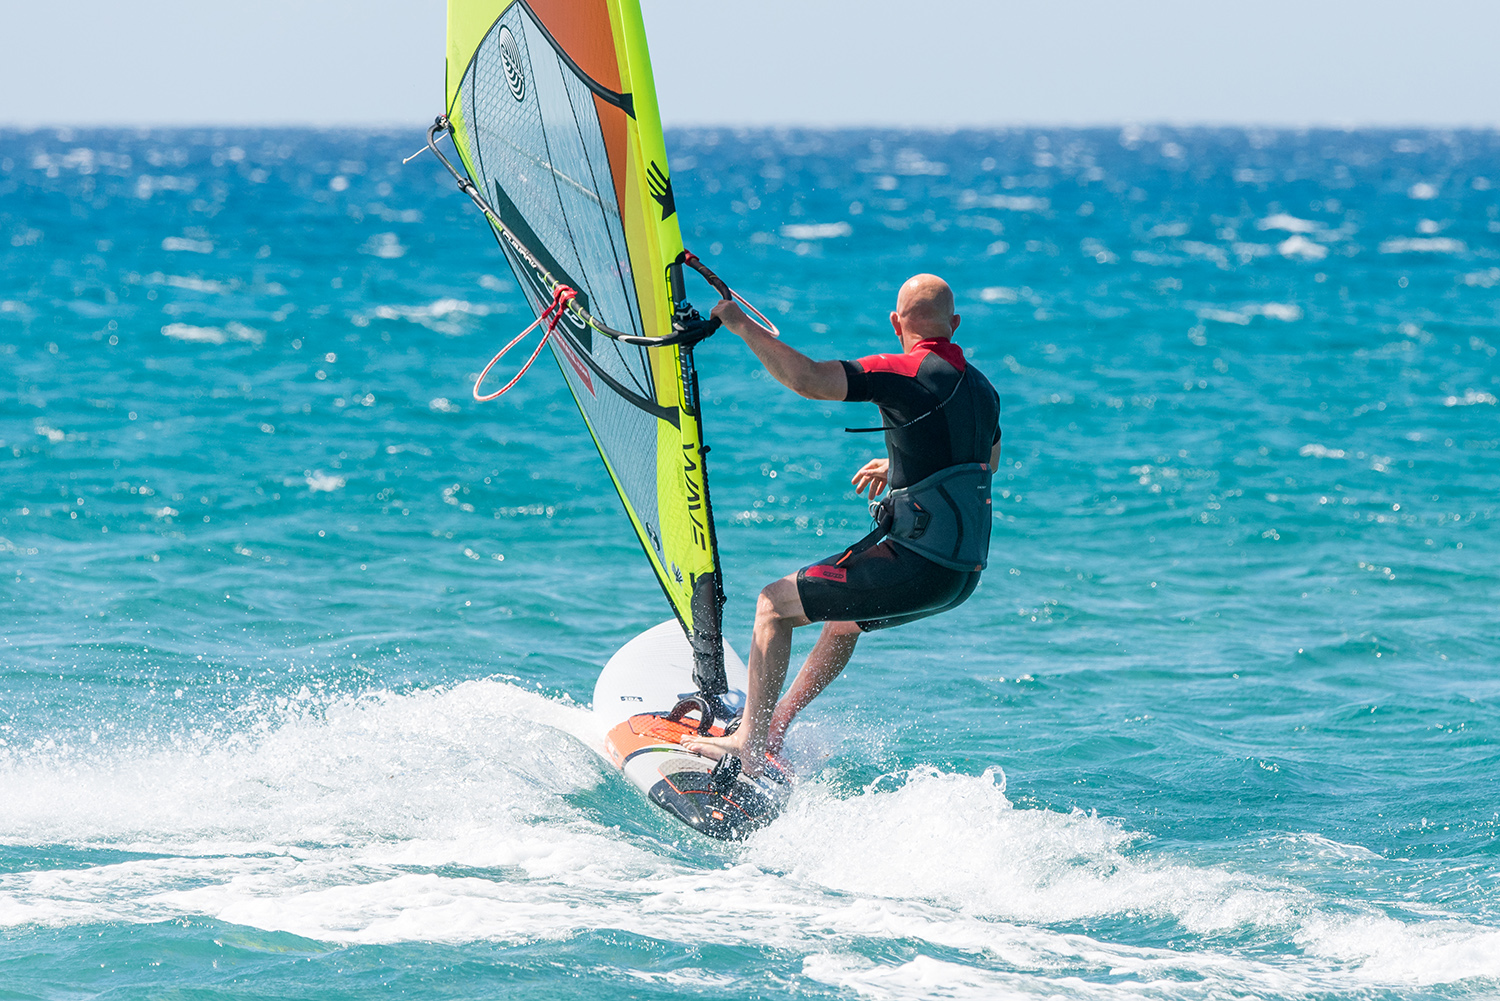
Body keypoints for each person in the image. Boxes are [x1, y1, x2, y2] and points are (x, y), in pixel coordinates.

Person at [685, 274, 1001, 776]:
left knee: (773, 605)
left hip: (918, 561)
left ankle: (747, 742)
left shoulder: (902, 370)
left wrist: (740, 324)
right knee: (840, 623)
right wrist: (898, 467)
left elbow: (808, 379)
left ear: (896, 323)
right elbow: (985, 461)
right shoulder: (983, 389)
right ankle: (776, 727)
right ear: (954, 324)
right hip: (961, 575)